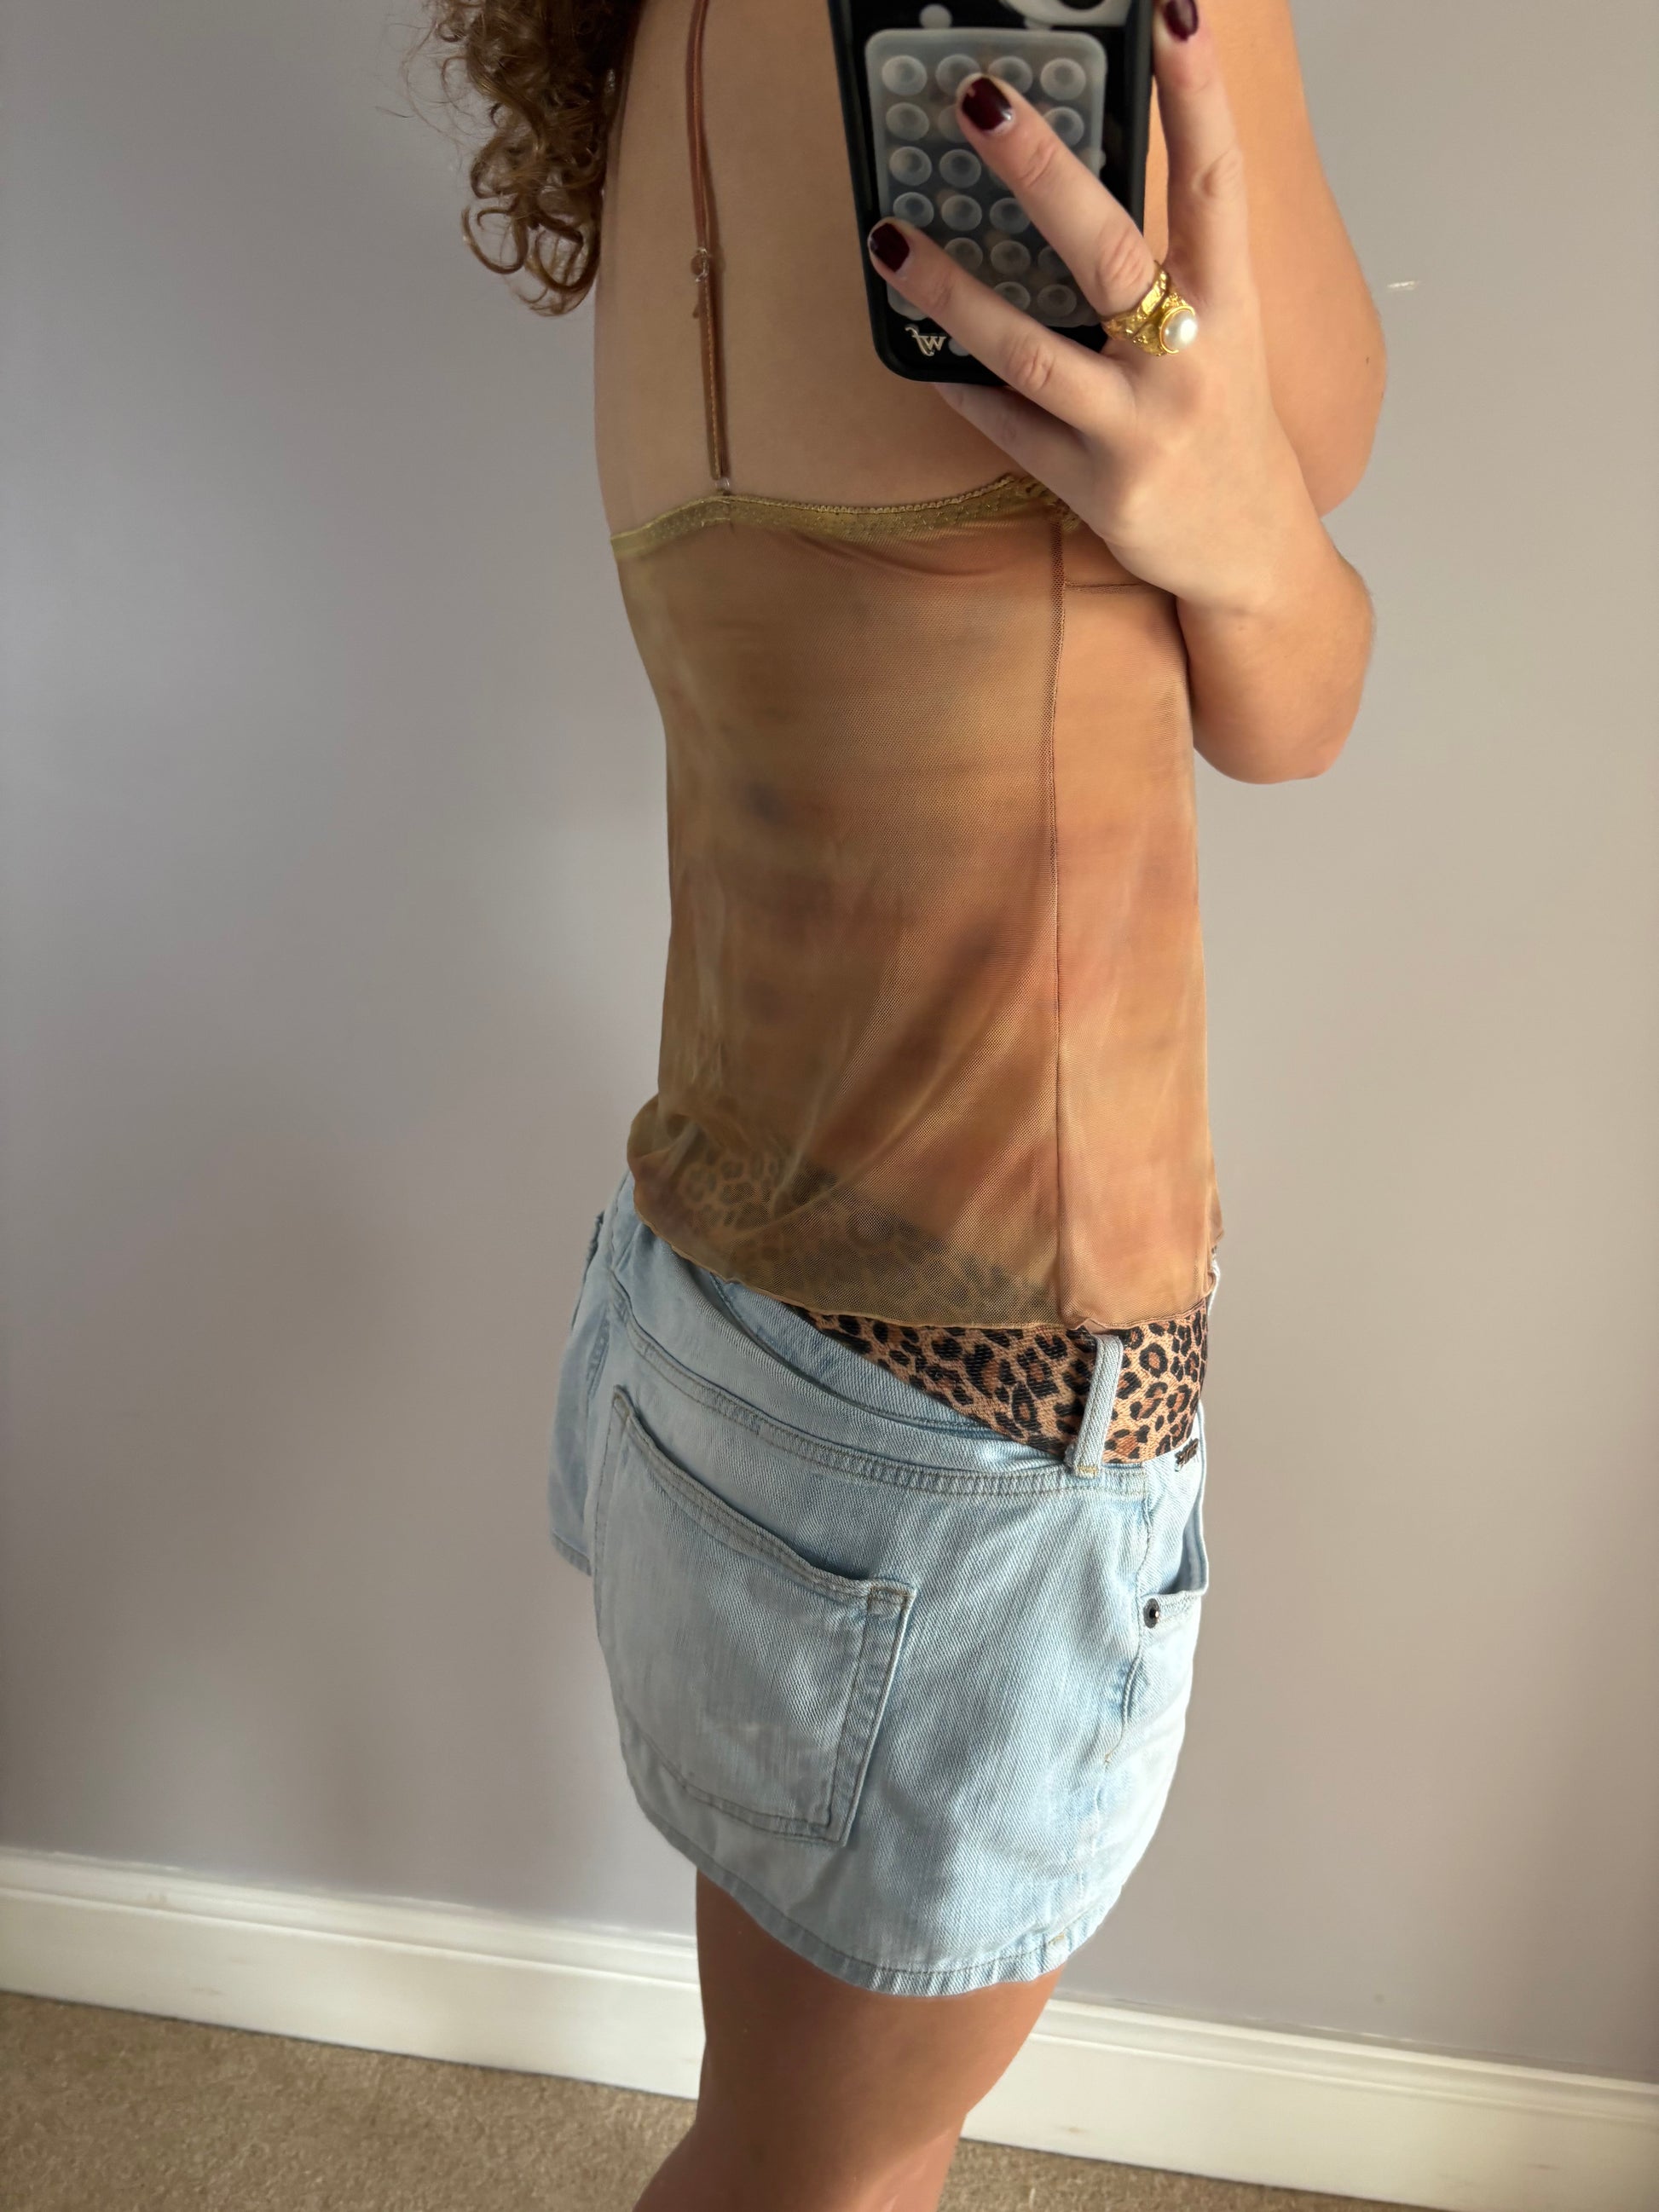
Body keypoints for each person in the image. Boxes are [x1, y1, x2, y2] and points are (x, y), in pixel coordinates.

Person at [423, 0, 1383, 2203]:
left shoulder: (658, 53)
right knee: (811, 2179)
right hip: (965, 1420)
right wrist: (1255, 541)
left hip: (720, 1321)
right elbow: (1299, 651)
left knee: (790, 2142)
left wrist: (1240, 531)